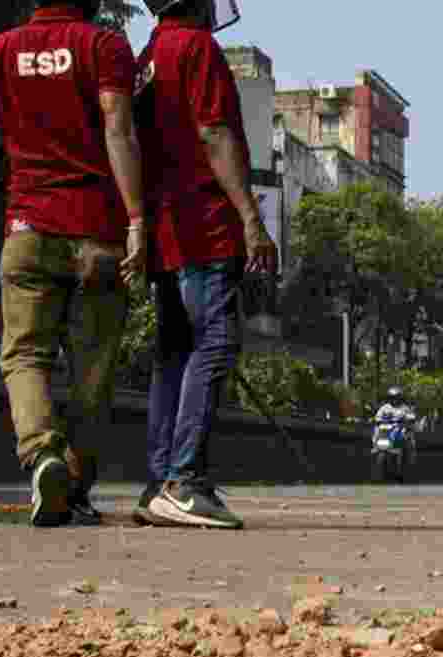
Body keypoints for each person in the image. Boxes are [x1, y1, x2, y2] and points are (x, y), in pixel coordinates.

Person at [0, 0, 147, 527]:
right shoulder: (103, 46)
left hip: (28, 230)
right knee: (93, 370)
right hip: (97, 235)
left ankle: (43, 455)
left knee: (24, 356)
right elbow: (118, 128)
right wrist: (136, 220)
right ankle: (76, 489)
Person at [131, 0, 273, 528]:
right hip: (206, 227)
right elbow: (215, 135)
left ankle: (159, 482)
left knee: (173, 353)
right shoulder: (198, 48)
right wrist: (252, 221)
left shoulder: (146, 56)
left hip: (165, 233)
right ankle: (184, 480)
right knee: (214, 342)